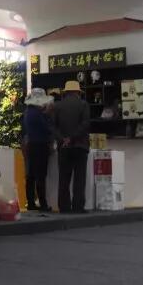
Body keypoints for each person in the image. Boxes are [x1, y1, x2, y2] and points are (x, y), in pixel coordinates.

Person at [53, 80, 90, 213]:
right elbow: (85, 124)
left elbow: (53, 126)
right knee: (79, 178)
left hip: (63, 147)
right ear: (77, 92)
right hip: (80, 145)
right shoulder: (83, 104)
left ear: (66, 92)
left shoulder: (57, 106)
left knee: (64, 177)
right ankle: (78, 206)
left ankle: (64, 206)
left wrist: (62, 139)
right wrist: (72, 138)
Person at [23, 88, 54, 211]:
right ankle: (43, 204)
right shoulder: (37, 113)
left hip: (32, 145)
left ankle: (31, 202)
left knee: (31, 175)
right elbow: (47, 128)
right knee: (40, 175)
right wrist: (48, 115)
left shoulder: (28, 112)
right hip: (40, 146)